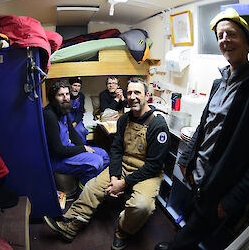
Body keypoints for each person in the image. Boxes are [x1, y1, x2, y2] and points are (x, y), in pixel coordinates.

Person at [155, 8, 249, 250]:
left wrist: (232, 200)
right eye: (220, 36)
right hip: (197, 176)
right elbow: (204, 125)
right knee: (189, 218)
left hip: (222, 186)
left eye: (231, 34)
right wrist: (186, 157)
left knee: (196, 235)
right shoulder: (219, 82)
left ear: (248, 43)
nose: (225, 40)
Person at [44, 77, 170, 250]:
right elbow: (116, 150)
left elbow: (154, 166)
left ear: (147, 96)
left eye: (137, 92)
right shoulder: (124, 120)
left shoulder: (158, 124)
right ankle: (70, 226)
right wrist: (115, 176)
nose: (133, 96)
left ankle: (123, 231)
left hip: (147, 172)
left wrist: (123, 184)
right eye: (130, 92)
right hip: (124, 165)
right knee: (92, 187)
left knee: (141, 206)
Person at [43, 80, 110, 193]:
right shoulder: (49, 115)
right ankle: (82, 193)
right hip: (58, 159)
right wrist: (83, 149)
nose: (65, 98)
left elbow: (73, 134)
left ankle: (93, 186)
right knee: (96, 161)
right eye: (60, 95)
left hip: (68, 151)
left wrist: (84, 148)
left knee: (104, 155)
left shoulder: (63, 109)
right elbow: (58, 150)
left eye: (67, 94)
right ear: (53, 97)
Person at [68, 77, 88, 144]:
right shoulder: (66, 95)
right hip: (66, 117)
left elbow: (80, 112)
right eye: (75, 85)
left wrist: (75, 122)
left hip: (76, 117)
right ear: (70, 86)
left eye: (79, 86)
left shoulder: (81, 96)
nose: (76, 88)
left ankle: (83, 148)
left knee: (81, 130)